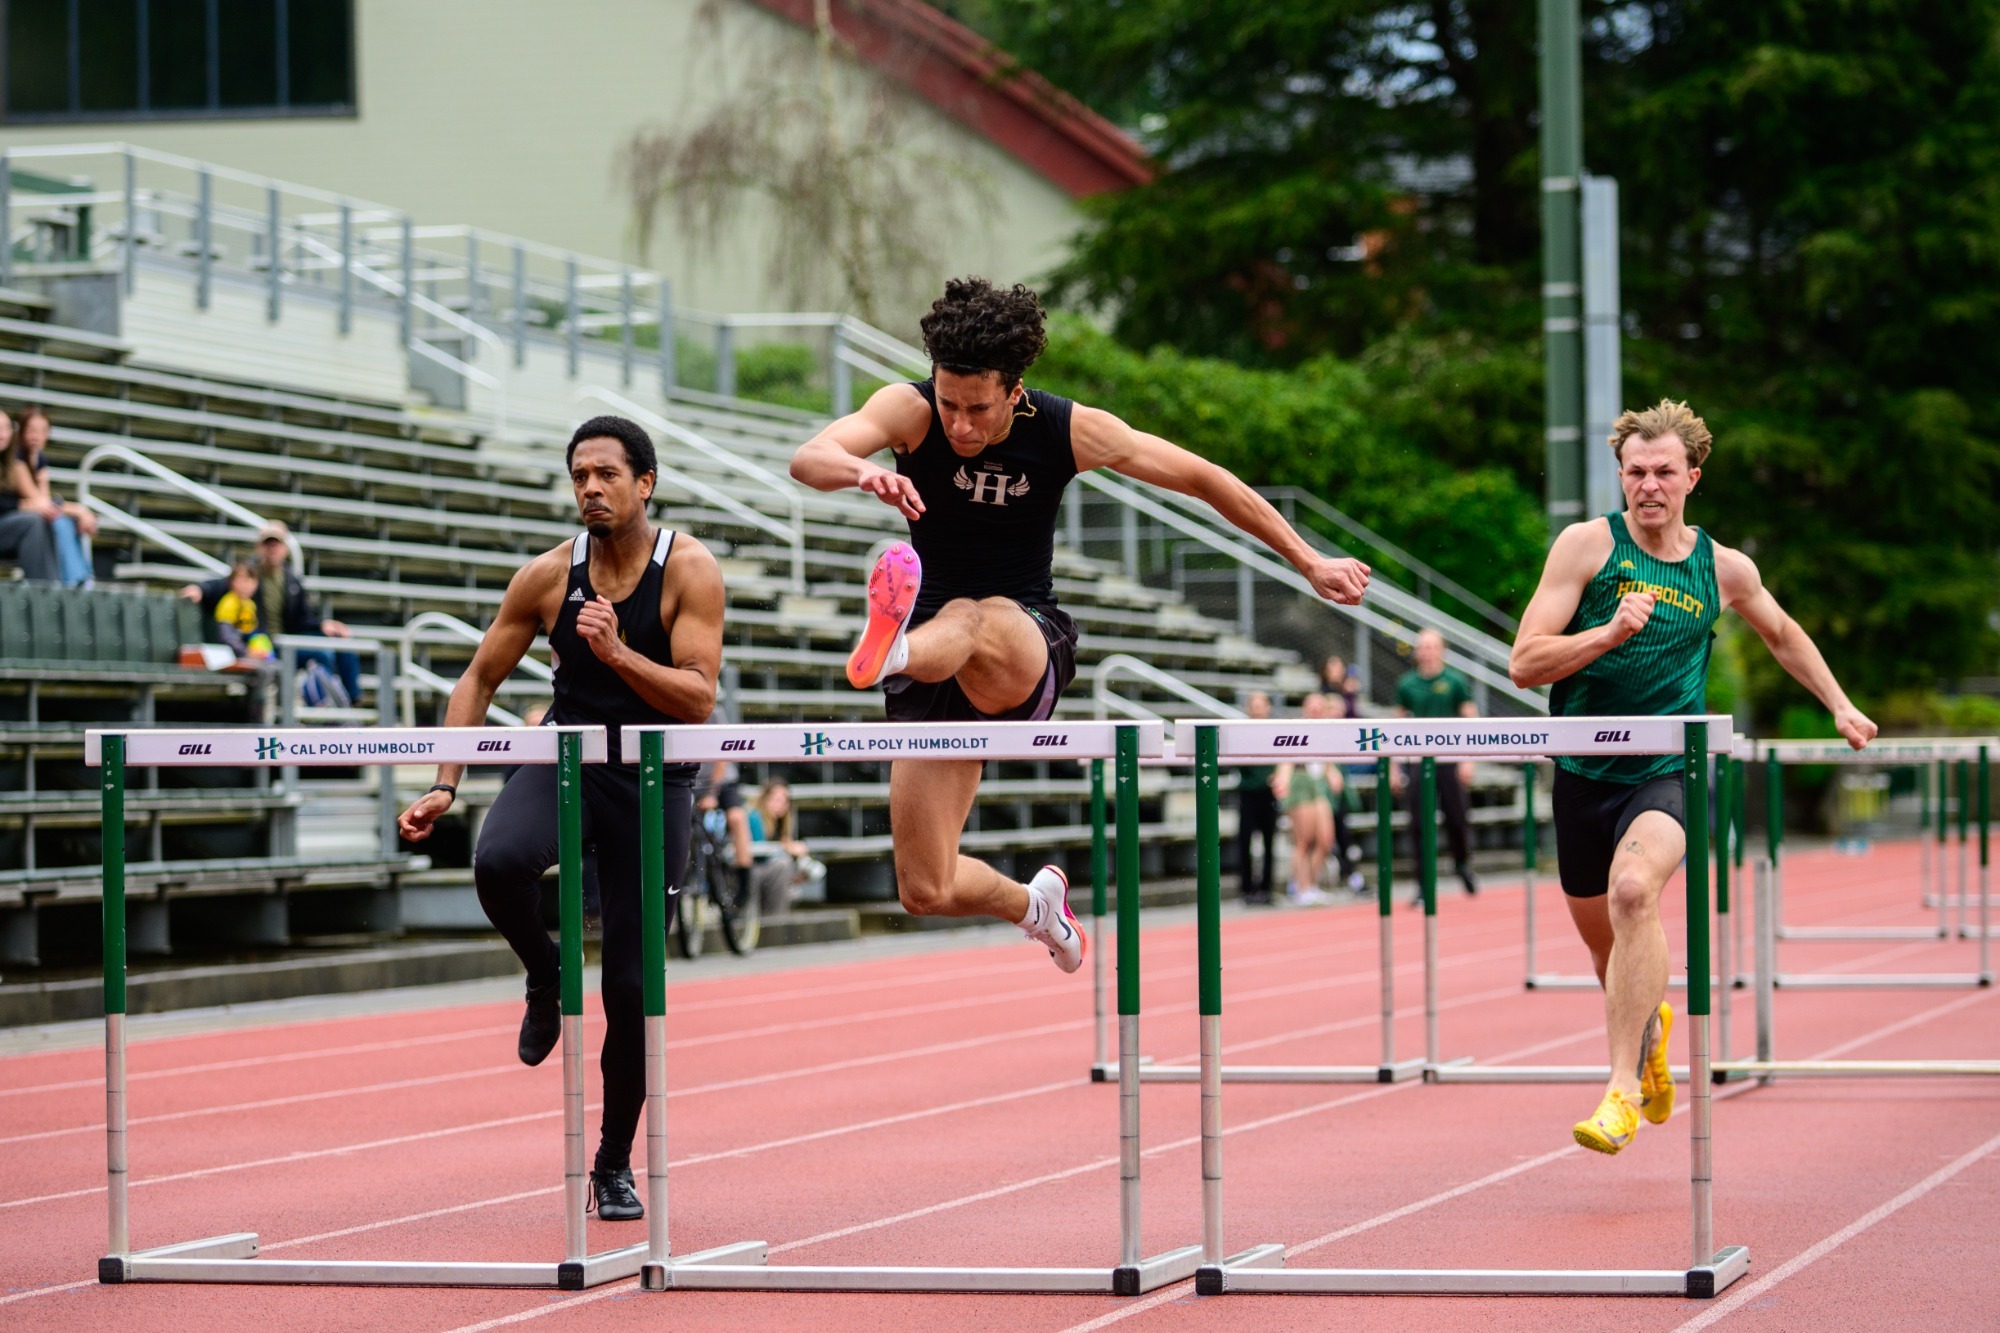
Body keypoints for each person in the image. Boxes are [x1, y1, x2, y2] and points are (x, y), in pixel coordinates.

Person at [789, 277, 1370, 972]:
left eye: (978, 408)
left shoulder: (1065, 429)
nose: (960, 426)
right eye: (949, 404)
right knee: (925, 887)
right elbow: (810, 456)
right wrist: (862, 473)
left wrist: (1308, 560)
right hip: (936, 659)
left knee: (972, 616)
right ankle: (1036, 906)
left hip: (1025, 638)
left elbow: (1204, 478)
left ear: (1014, 391)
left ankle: (891, 650)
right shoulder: (908, 410)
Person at [1509, 398, 1875, 1157]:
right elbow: (1525, 662)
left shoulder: (1723, 568)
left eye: (1664, 472)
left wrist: (1839, 703)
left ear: (1692, 478)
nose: (1649, 485)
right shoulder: (1586, 547)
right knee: (1609, 954)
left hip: (1669, 769)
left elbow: (1783, 634)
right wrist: (1607, 632)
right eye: (1636, 472)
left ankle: (1619, 1092)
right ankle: (1649, 1033)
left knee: (1633, 891)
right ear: (1620, 476)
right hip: (1581, 772)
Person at [397, 415, 725, 1221]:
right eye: (580, 475)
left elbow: (698, 697)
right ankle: (546, 971)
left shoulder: (689, 569)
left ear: (645, 483)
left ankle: (612, 1163)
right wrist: (445, 781)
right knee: (497, 860)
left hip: (653, 774)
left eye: (607, 474)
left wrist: (617, 654)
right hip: (569, 756)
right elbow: (478, 678)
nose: (590, 488)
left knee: (631, 985)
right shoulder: (548, 576)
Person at [179, 519, 361, 704]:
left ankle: (352, 700)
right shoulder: (249, 574)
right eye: (268, 543)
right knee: (323, 654)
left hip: (289, 639)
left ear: (285, 548)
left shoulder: (292, 580)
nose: (272, 549)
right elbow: (221, 585)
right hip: (267, 645)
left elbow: (303, 618)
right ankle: (326, 705)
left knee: (343, 643)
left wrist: (323, 624)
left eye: (277, 544)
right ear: (259, 547)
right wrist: (200, 589)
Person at [1393, 629, 1480, 900]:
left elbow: (1470, 719)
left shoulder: (1455, 682)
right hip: (1420, 760)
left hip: (1450, 760)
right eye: (1423, 647)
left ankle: (1461, 863)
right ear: (1418, 652)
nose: (1428, 652)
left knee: (1457, 817)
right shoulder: (1407, 684)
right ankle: (1423, 883)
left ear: (1442, 650)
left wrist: (1468, 759)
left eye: (1432, 646)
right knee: (1418, 822)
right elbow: (1395, 725)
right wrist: (1394, 766)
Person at [2, 406, 95, 586]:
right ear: (21, 432)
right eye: (32, 430)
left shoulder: (34, 459)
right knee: (46, 521)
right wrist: (77, 509)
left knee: (63, 521)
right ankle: (58, 586)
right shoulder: (16, 460)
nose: (36, 436)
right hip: (12, 521)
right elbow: (39, 503)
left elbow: (43, 501)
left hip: (14, 519)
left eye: (42, 431)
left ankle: (80, 580)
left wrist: (41, 475)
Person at [0, 409, 61, 582]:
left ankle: (56, 586)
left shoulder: (9, 463)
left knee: (46, 521)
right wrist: (22, 505)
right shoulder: (16, 464)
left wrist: (42, 476)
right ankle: (43, 590)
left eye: (5, 428)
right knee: (32, 522)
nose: (2, 435)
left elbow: (42, 501)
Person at [746, 779, 824, 913]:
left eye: (785, 801)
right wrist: (786, 848)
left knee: (802, 869)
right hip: (749, 871)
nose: (781, 805)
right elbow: (760, 855)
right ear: (765, 799)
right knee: (783, 866)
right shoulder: (755, 817)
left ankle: (777, 916)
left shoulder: (779, 824)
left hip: (764, 871)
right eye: (777, 800)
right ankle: (776, 918)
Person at [1234, 691, 1280, 905]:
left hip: (1268, 794)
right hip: (1248, 793)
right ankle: (1246, 889)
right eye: (1254, 705)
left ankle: (1267, 888)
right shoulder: (1243, 732)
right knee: (1245, 840)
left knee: (1270, 841)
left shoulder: (1275, 732)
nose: (1258, 709)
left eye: (1262, 705)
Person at [212, 561, 275, 660]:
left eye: (251, 580)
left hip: (246, 651)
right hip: (231, 654)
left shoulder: (250, 604)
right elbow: (225, 636)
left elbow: (251, 633)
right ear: (231, 582)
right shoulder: (229, 603)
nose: (246, 585)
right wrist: (246, 651)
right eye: (241, 580)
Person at [1319, 653, 1362, 718]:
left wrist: (1350, 693)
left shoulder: (1348, 689)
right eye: (1333, 668)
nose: (1337, 671)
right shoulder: (1323, 690)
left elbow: (1353, 712)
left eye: (1339, 668)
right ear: (1326, 671)